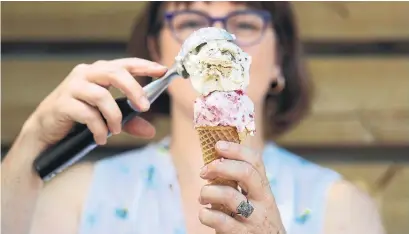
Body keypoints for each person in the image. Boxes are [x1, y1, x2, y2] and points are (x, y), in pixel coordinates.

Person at [2, 2, 385, 234]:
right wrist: (30, 142)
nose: (216, 36)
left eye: (245, 23)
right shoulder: (78, 197)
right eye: (189, 22)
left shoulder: (341, 208)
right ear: (157, 50)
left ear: (279, 62)